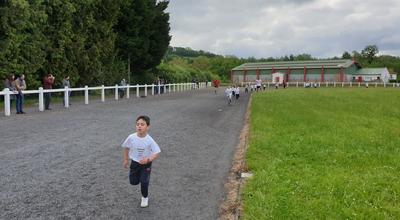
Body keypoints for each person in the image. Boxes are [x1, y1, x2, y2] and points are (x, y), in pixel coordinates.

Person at [122, 115, 161, 208]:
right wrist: (126, 160)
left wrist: (148, 159)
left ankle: (144, 197)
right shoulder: (131, 137)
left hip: (146, 164)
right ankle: (140, 176)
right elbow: (126, 148)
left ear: (148, 127)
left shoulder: (150, 140)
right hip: (135, 163)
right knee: (133, 182)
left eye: (142, 124)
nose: (139, 126)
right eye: (137, 124)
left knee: (144, 182)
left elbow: (157, 152)